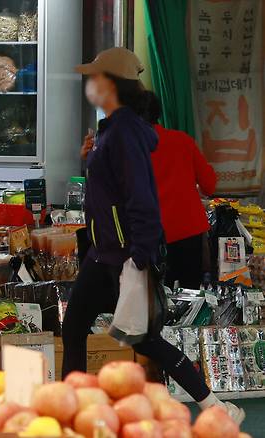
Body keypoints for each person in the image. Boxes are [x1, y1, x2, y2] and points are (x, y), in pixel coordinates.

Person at [68, 47, 243, 423]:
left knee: (145, 339)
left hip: (124, 253)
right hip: (109, 251)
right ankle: (74, 409)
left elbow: (141, 198)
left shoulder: (125, 132)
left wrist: (140, 255)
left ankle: (214, 407)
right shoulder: (115, 129)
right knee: (77, 327)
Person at [144, 92, 216, 289]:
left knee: (154, 296)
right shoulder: (182, 140)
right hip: (189, 230)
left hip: (150, 234)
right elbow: (209, 184)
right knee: (191, 295)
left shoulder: (131, 148)